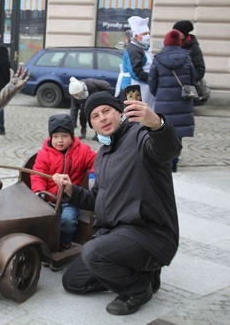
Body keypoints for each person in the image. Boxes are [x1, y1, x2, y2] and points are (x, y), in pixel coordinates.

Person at [52, 91, 182, 316]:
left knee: (93, 252)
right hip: (116, 234)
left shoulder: (140, 134)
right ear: (91, 125)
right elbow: (96, 199)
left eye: (106, 111)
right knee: (73, 282)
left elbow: (168, 149)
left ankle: (138, 290)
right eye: (94, 116)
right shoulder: (103, 155)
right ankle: (146, 275)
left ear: (119, 113)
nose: (101, 118)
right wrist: (71, 191)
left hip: (150, 234)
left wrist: (156, 123)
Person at [30, 114, 96, 252]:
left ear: (72, 136)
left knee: (68, 221)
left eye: (64, 136)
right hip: (48, 197)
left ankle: (64, 243)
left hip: (69, 198)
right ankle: (42, 243)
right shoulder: (44, 154)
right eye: (55, 136)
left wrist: (93, 175)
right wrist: (39, 192)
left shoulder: (82, 151)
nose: (60, 140)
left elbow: (97, 162)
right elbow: (37, 175)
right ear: (50, 137)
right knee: (39, 220)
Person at [149, 29, 196, 172]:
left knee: (164, 131)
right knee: (178, 133)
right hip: (183, 101)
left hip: (164, 102)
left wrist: (160, 94)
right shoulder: (187, 58)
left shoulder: (158, 59)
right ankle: (175, 161)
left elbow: (152, 83)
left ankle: (167, 161)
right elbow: (192, 79)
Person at [120, 16, 154, 109]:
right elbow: (136, 73)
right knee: (134, 115)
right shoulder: (134, 50)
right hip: (132, 89)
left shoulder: (143, 48)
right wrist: (152, 78)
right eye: (144, 34)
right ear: (136, 36)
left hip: (142, 87)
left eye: (148, 33)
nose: (147, 36)